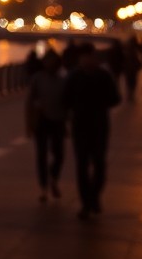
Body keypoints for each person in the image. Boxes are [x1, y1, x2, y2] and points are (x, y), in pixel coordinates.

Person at [63, 44, 121, 220]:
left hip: (99, 126)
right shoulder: (73, 77)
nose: (87, 60)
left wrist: (99, 104)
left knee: (99, 164)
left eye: (89, 57)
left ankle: (94, 196)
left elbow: (115, 98)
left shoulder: (103, 76)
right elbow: (65, 100)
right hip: (80, 126)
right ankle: (86, 203)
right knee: (82, 166)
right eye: (83, 57)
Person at [25, 49, 67, 203]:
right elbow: (29, 102)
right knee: (41, 155)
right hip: (41, 121)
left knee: (59, 154)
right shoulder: (38, 79)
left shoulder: (63, 80)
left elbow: (67, 102)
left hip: (58, 121)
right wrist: (29, 125)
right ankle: (44, 187)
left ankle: (53, 177)